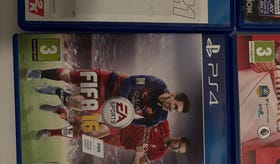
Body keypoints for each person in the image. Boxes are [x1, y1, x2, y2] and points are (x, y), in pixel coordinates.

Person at [28, 67, 190, 127]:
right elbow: (127, 82)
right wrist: (124, 102)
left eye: (175, 110)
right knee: (68, 76)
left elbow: (130, 122)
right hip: (109, 80)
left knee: (75, 104)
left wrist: (120, 115)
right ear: (173, 95)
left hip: (107, 102)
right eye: (175, 105)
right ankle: (38, 73)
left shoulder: (159, 117)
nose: (171, 109)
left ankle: (57, 92)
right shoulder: (156, 84)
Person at [36, 119, 191, 164]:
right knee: (88, 131)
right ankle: (52, 129)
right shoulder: (163, 123)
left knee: (84, 131)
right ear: (178, 138)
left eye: (177, 151)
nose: (175, 149)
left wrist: (138, 154)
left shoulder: (159, 153)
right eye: (178, 146)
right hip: (121, 124)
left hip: (118, 141)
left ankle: (57, 122)